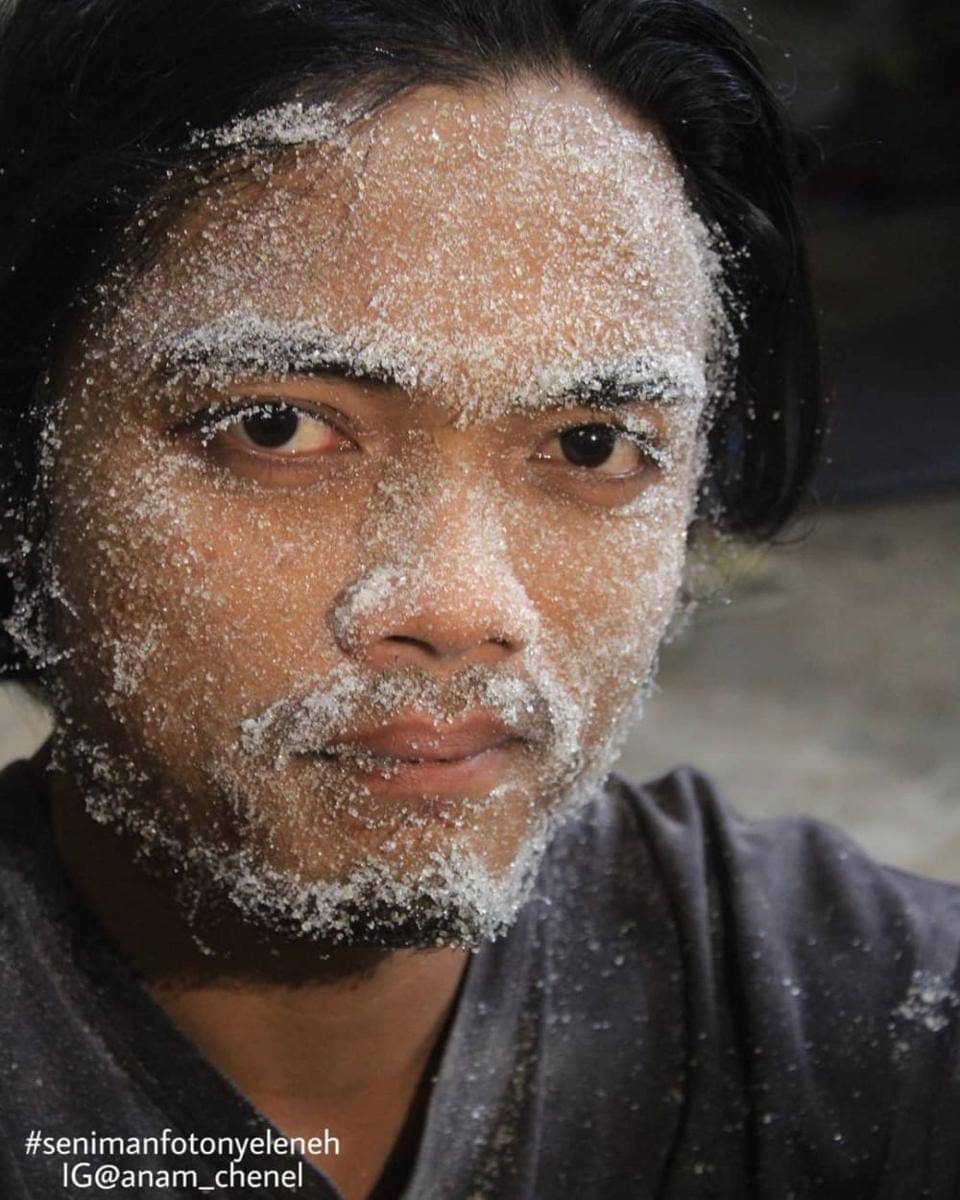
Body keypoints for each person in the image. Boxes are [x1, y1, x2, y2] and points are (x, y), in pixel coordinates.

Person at [0, 1, 956, 1198]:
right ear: (22, 470)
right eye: (278, 429)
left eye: (596, 444)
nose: (460, 606)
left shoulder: (873, 1026)